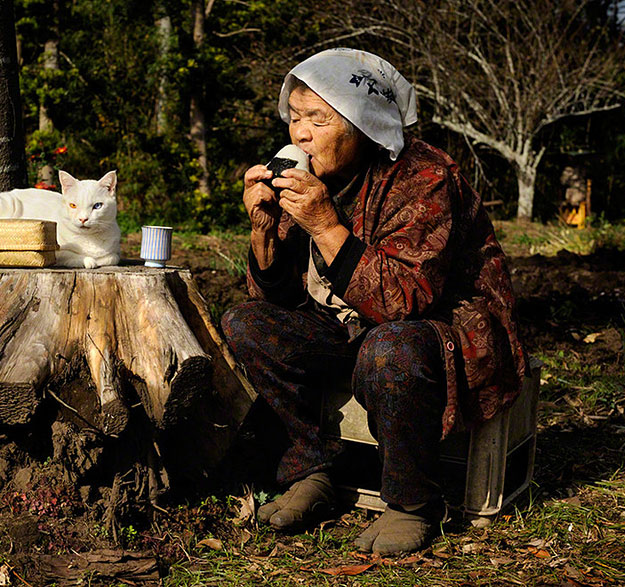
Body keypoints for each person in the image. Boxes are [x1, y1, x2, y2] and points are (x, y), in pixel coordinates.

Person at [221, 48, 527, 554]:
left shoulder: (424, 177)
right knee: (247, 324)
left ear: (363, 124)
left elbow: (406, 301)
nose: (300, 135)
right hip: (349, 326)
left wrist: (324, 224)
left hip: (442, 331)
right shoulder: (314, 177)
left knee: (389, 347)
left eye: (317, 119)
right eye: (295, 118)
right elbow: (278, 299)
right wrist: (263, 233)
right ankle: (313, 468)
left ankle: (413, 503)